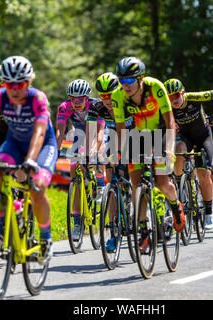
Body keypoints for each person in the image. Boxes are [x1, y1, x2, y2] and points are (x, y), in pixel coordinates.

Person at [0, 56, 58, 264]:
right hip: (15, 141)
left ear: (29, 82)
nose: (14, 90)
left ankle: (45, 238)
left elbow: (40, 133)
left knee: (38, 187)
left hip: (42, 144)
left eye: (21, 84)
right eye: (9, 84)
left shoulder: (38, 98)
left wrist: (31, 160)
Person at [111, 57, 185, 252]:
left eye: (129, 81)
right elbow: (120, 130)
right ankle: (144, 232)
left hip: (161, 133)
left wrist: (169, 149)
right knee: (136, 185)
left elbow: (170, 121)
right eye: (121, 81)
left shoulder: (155, 87)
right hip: (138, 137)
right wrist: (120, 153)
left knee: (162, 182)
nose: (125, 86)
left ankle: (176, 207)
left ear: (140, 78)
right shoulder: (118, 96)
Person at [163, 78, 213, 230]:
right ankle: (180, 183)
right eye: (169, 97)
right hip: (185, 138)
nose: (173, 100)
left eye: (176, 95)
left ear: (182, 93)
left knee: (203, 174)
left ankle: (209, 212)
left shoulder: (194, 97)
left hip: (203, 137)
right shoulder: (168, 107)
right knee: (178, 149)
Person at [86, 72, 134, 252]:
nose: (106, 99)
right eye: (103, 96)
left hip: (136, 136)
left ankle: (139, 208)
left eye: (110, 94)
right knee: (111, 181)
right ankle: (114, 232)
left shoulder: (128, 102)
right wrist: (90, 153)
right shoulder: (97, 107)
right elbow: (91, 132)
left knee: (135, 177)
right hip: (115, 139)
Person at [55, 79, 99, 240]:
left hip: (97, 133)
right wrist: (55, 151)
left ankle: (99, 184)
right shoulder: (64, 107)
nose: (77, 102)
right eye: (73, 99)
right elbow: (60, 132)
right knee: (74, 169)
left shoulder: (95, 106)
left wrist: (91, 152)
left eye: (80, 99)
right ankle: (77, 223)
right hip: (79, 135)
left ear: (87, 98)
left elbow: (95, 134)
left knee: (96, 154)